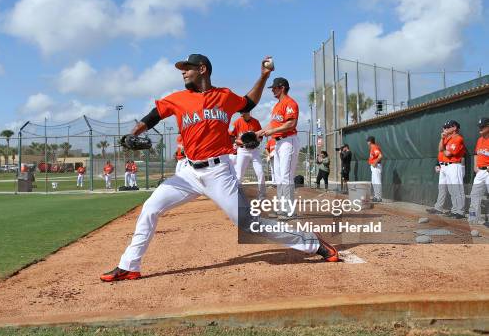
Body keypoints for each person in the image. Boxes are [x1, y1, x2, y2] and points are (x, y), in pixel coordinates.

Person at [100, 54, 338, 282]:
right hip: (188, 173)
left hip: (218, 172)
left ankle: (313, 243)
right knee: (151, 207)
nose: (183, 72)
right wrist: (133, 134)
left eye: (188, 68)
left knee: (249, 223)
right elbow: (153, 116)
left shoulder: (223, 96)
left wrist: (264, 75)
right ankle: (129, 266)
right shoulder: (177, 98)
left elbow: (249, 102)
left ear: (202, 69)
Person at [257, 77, 299, 220]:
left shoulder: (290, 103)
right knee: (280, 178)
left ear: (282, 88)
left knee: (286, 177)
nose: (273, 90)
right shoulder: (277, 105)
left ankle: (290, 211)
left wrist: (271, 132)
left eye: (274, 88)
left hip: (289, 141)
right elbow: (272, 124)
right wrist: (260, 132)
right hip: (279, 143)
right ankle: (282, 208)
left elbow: (291, 124)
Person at [426, 120, 466, 218]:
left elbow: (448, 153)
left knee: (457, 189)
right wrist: (442, 139)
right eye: (445, 127)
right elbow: (440, 150)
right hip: (445, 166)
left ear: (454, 128)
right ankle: (454, 210)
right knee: (450, 189)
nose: (445, 129)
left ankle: (460, 211)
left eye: (448, 127)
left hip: (454, 165)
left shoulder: (458, 138)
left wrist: (443, 149)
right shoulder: (446, 139)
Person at [230, 112, 265, 199]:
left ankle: (262, 196)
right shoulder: (237, 122)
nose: (241, 113)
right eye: (241, 111)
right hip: (242, 150)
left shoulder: (256, 122)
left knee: (260, 173)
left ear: (249, 111)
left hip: (255, 151)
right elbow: (231, 137)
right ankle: (237, 195)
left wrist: (256, 141)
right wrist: (244, 142)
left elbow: (261, 137)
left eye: (243, 111)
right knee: (239, 175)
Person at [469, 117, 489, 226]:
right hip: (480, 172)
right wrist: (475, 165)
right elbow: (476, 153)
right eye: (479, 126)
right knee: (474, 195)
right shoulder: (479, 140)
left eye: (483, 126)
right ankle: (473, 218)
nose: (480, 128)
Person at [367, 136, 383, 203]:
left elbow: (380, 156)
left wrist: (375, 162)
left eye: (367, 141)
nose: (367, 142)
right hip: (374, 167)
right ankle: (376, 196)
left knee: (377, 181)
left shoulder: (374, 147)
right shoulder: (372, 148)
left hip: (376, 166)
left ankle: (379, 197)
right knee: (374, 182)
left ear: (370, 141)